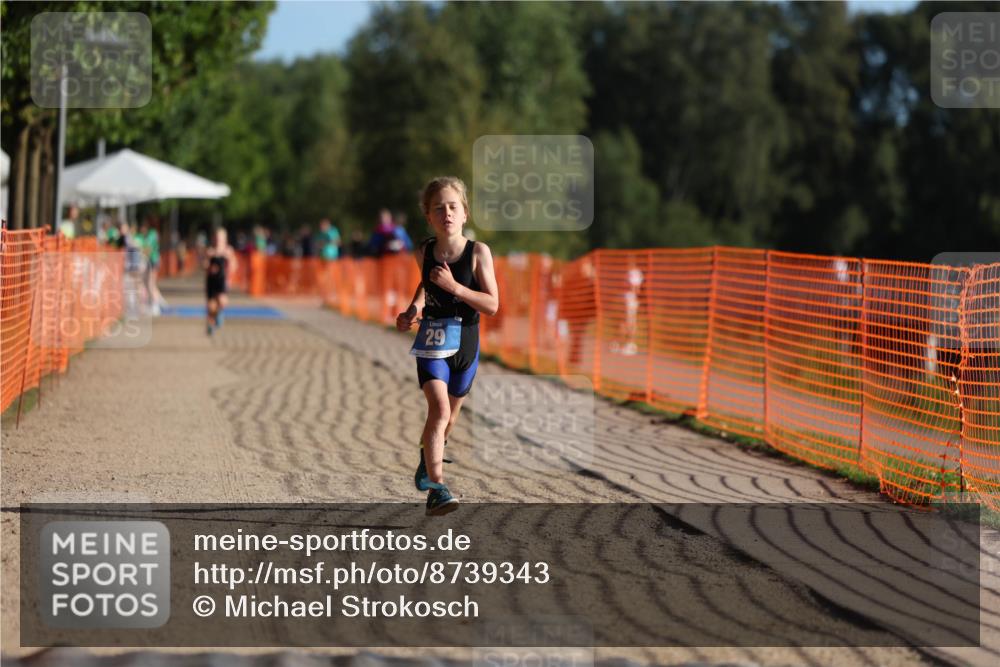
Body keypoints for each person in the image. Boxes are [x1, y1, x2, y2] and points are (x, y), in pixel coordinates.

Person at [396, 177, 499, 516]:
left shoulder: (477, 252)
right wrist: (414, 309)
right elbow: (426, 285)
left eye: (453, 206)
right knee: (439, 410)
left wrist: (455, 287)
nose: (447, 213)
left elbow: (492, 304)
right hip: (432, 342)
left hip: (466, 343)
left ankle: (427, 463)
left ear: (465, 213)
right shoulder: (424, 252)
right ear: (429, 216)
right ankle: (438, 489)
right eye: (438, 208)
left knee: (450, 417)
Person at [204, 227, 237, 336]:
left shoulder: (228, 250)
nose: (219, 240)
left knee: (222, 301)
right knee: (211, 306)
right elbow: (205, 266)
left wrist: (230, 277)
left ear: (225, 239)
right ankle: (211, 325)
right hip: (211, 281)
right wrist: (208, 263)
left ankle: (219, 315)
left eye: (221, 238)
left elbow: (234, 265)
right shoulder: (210, 251)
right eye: (217, 238)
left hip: (222, 280)